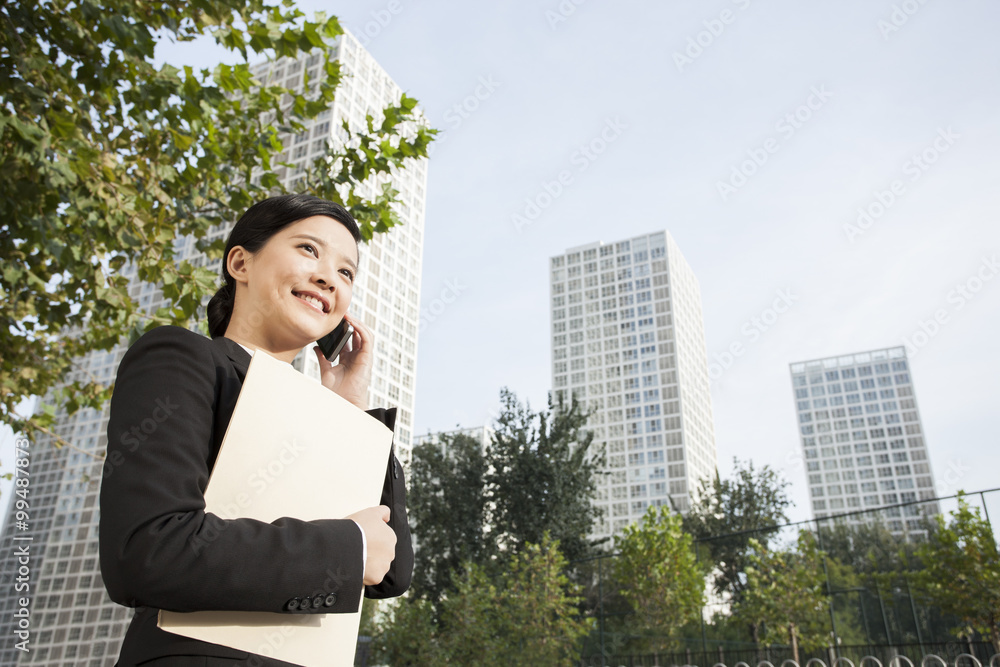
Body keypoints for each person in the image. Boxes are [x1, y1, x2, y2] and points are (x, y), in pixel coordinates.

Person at [98, 194, 412, 666]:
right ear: (240, 263)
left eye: (347, 272)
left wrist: (348, 411)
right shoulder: (182, 359)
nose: (329, 277)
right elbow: (149, 550)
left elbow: (390, 571)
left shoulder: (328, 417)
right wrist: (349, 547)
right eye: (309, 249)